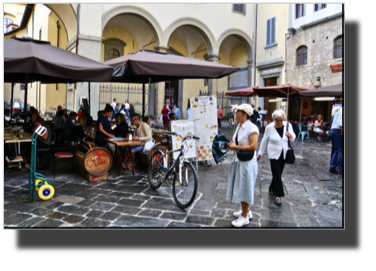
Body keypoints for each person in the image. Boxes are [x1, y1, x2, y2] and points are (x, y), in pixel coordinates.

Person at [226, 104, 259, 227]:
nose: (235, 113)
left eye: (238, 111)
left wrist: (236, 147)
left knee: (245, 188)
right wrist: (232, 145)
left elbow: (253, 146)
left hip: (247, 163)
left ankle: (244, 217)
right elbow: (238, 141)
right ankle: (247, 211)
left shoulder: (252, 128)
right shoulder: (239, 125)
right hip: (239, 160)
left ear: (244, 114)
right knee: (242, 187)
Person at [257, 109, 296, 206]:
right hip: (273, 154)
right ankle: (278, 195)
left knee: (278, 173)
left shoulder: (287, 125)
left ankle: (271, 187)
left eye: (281, 120)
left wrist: (291, 136)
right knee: (277, 174)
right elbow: (264, 141)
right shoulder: (269, 128)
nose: (280, 122)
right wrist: (260, 153)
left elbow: (294, 138)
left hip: (284, 153)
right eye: (277, 120)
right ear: (273, 120)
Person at [328, 106, 342, 175]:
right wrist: (342, 132)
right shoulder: (342, 110)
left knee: (337, 150)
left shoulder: (340, 111)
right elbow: (341, 123)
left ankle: (332, 167)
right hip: (338, 131)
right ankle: (341, 169)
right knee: (341, 150)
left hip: (334, 131)